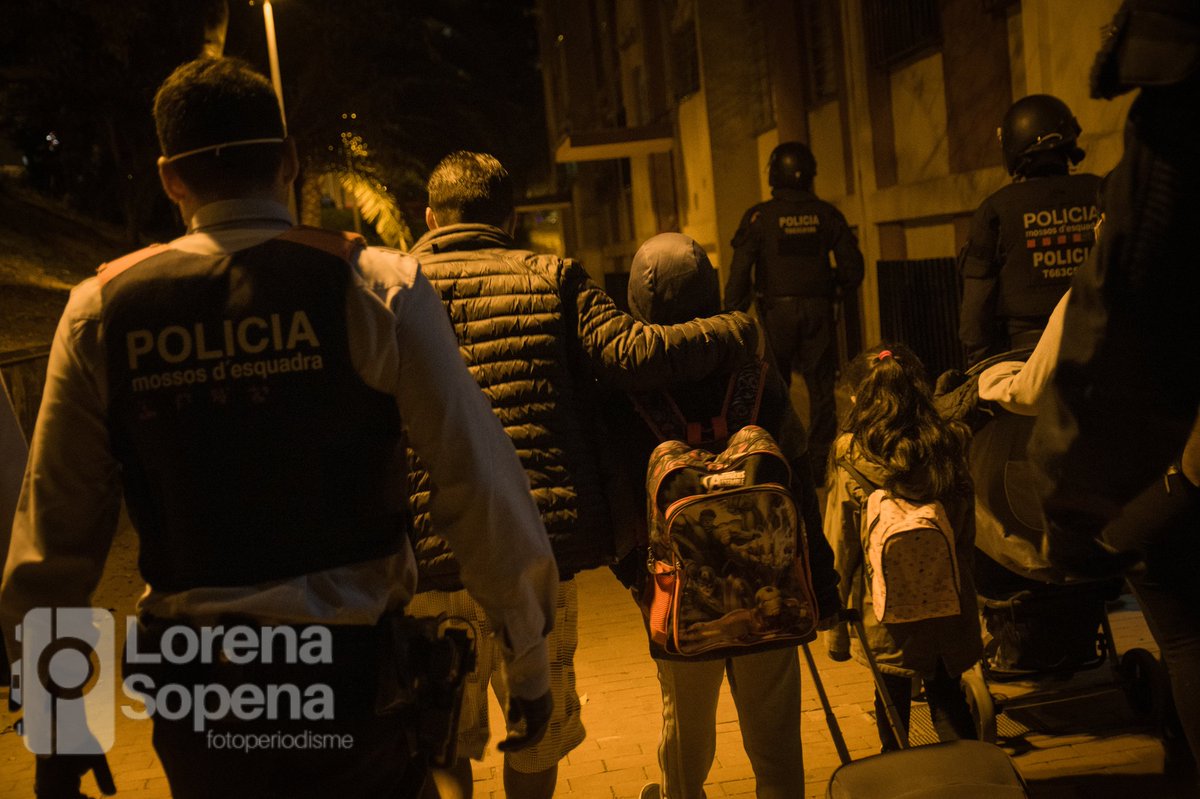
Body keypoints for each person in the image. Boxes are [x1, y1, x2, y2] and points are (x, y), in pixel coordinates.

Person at [0, 58, 558, 799]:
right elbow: (477, 485)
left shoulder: (102, 310)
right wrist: (529, 660)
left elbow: (56, 543)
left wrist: (60, 728)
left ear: (171, 177)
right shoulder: (376, 287)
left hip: (201, 697)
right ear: (289, 160)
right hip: (353, 680)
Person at [405, 154, 760, 799]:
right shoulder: (552, 276)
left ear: (429, 217)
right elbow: (636, 354)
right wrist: (733, 328)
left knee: (442, 737)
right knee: (536, 728)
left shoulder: (385, 288)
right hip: (532, 549)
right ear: (508, 218)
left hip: (427, 556)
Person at [605, 232, 840, 799]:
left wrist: (638, 574)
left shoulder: (627, 387)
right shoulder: (755, 372)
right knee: (776, 736)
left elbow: (618, 499)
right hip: (770, 590)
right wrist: (823, 588)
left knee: (686, 737)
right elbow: (798, 483)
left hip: (681, 598)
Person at [1029, 0, 1200, 771]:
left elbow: (1124, 321)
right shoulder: (1095, 183)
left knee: (1181, 603)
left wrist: (1074, 500)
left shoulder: (1179, 119)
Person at [824, 343, 980, 751]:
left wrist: (835, 629)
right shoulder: (950, 445)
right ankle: (972, 779)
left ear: (860, 398)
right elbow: (965, 533)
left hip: (883, 612)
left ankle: (902, 780)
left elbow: (840, 548)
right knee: (948, 696)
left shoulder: (851, 454)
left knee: (891, 703)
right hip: (948, 602)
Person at [723, 141, 865, 483]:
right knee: (820, 390)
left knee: (773, 389)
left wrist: (732, 314)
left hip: (776, 314)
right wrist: (833, 288)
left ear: (773, 174)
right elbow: (852, 269)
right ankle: (820, 465)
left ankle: (781, 460)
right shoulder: (826, 215)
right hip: (817, 310)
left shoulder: (760, 217)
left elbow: (740, 270)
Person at [957, 94, 1101, 366]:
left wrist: (981, 369)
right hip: (1101, 349)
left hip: (1028, 360)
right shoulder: (1103, 192)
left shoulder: (997, 208)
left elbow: (975, 313)